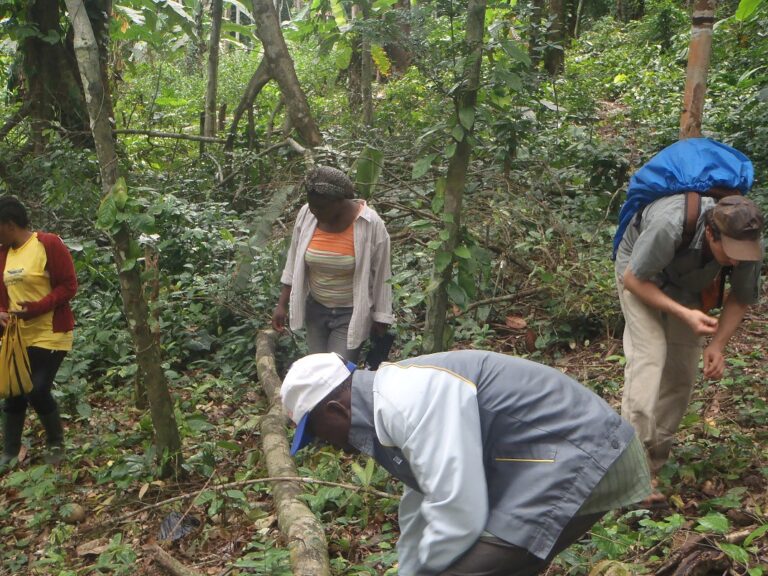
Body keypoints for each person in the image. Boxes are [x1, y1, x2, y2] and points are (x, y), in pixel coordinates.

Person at [281, 350, 651, 576]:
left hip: (586, 453)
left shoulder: (404, 400)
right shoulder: (387, 400)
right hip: (559, 458)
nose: (326, 444)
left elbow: (458, 511)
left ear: (334, 409)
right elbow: (421, 500)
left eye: (316, 432)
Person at [615, 194, 763, 481]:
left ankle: (652, 467)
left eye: (743, 253)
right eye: (731, 251)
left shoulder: (748, 245)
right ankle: (629, 472)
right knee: (650, 355)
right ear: (711, 232)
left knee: (681, 373)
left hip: (689, 283)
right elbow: (634, 280)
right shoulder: (670, 225)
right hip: (639, 274)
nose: (736, 259)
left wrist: (717, 345)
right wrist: (683, 314)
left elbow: (741, 297)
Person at [272, 166, 393, 362]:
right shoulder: (306, 215)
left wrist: (381, 317)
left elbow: (381, 274)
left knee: (336, 372)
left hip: (351, 313)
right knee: (318, 369)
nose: (314, 211)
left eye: (321, 207)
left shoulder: (370, 224)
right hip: (316, 309)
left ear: (340, 202)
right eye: (312, 206)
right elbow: (293, 261)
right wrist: (281, 305)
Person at [0, 197, 77, 467]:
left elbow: (69, 286)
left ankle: (56, 442)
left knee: (37, 388)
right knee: (13, 390)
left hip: (51, 331)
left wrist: (36, 308)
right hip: (17, 336)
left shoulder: (47, 244)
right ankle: (9, 451)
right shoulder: (3, 253)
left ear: (9, 225)